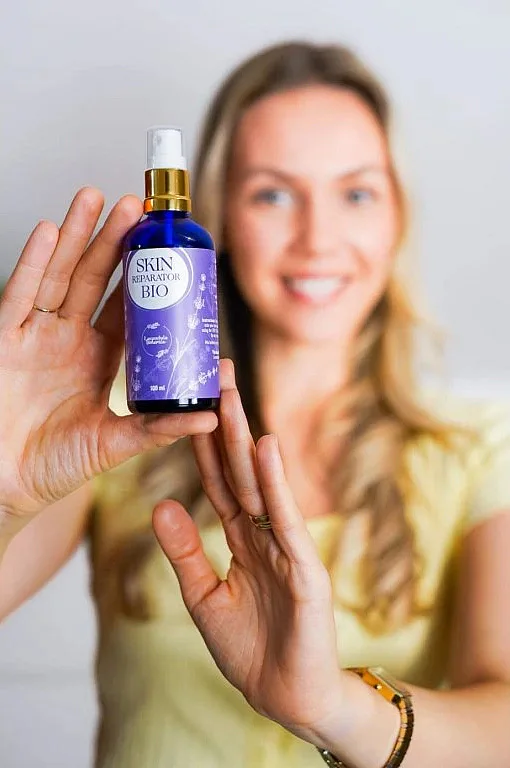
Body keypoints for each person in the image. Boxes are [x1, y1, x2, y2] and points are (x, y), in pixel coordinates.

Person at [1, 40, 509, 768]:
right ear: (222, 219)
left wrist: (334, 709)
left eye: (357, 193)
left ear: (397, 216)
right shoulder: (113, 427)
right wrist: (4, 495)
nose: (317, 239)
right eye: (273, 194)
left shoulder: (481, 448)